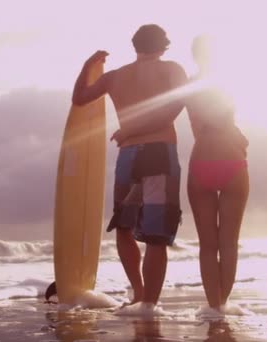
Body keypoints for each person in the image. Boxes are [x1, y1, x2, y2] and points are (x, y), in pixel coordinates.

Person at [72, 24, 187, 307]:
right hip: (158, 152)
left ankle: (139, 292)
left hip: (128, 155)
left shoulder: (115, 77)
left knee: (124, 227)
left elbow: (79, 98)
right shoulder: (172, 69)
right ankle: (147, 303)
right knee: (156, 234)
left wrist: (87, 67)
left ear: (135, 46)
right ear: (163, 46)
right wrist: (133, 131)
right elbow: (175, 106)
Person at [185, 35, 249, 311]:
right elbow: (224, 121)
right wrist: (239, 137)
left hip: (201, 160)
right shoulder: (227, 81)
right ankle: (222, 305)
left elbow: (201, 122)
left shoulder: (188, 85)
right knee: (229, 243)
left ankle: (215, 309)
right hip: (231, 160)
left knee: (208, 245)